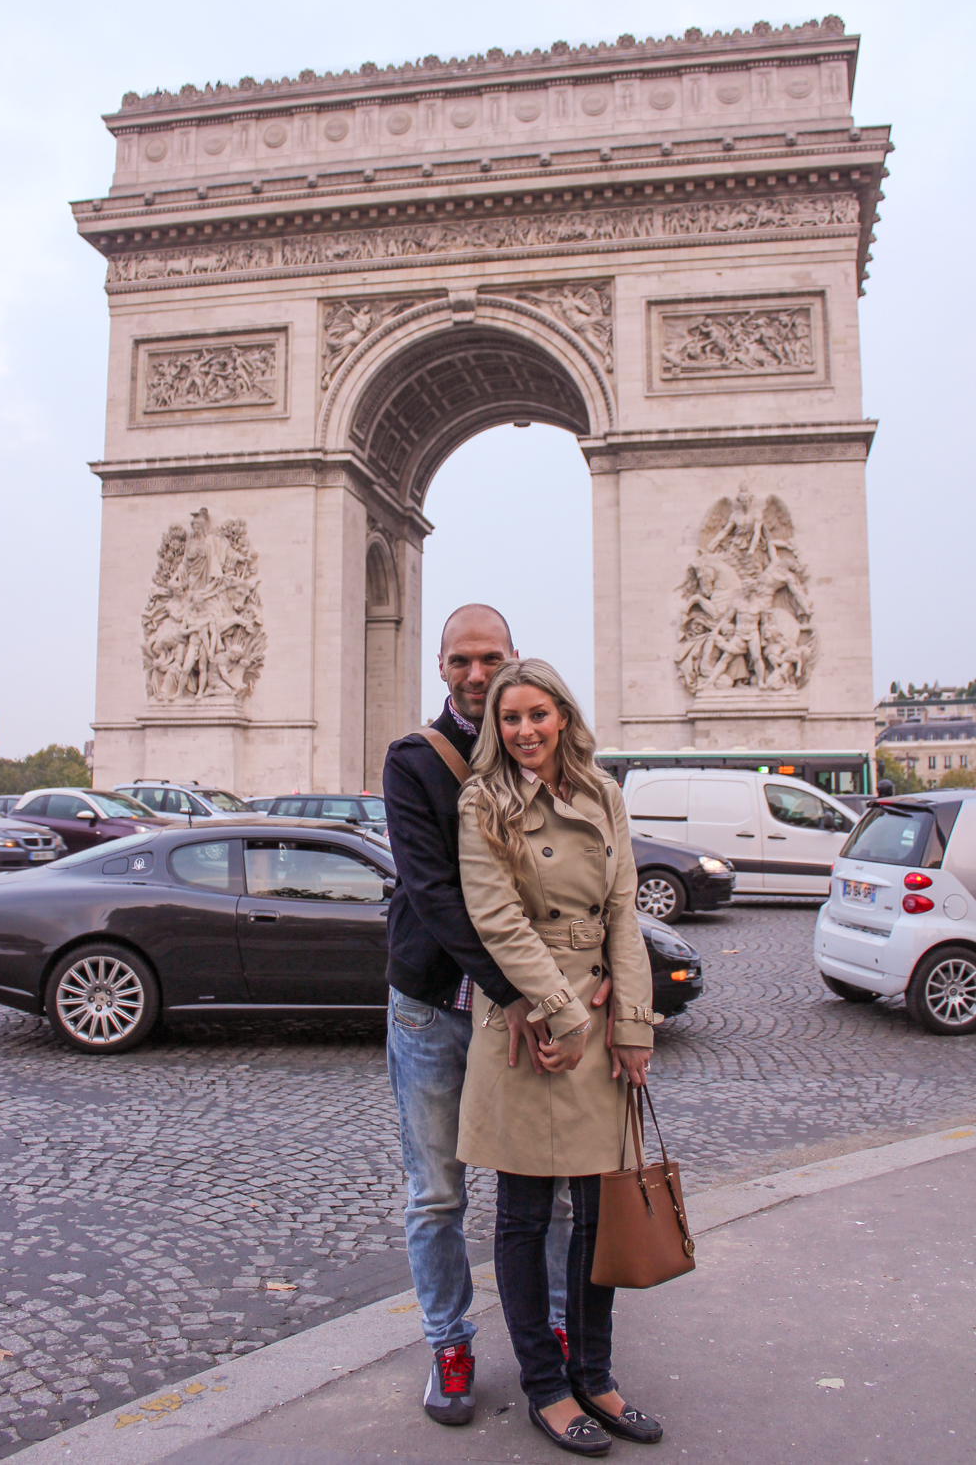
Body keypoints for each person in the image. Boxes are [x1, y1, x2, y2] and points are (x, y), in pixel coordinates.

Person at [383, 607, 610, 1427]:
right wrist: (515, 995)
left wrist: (602, 973)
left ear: (513, 660)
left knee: (541, 1185)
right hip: (439, 1009)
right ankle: (449, 1339)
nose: (475, 676)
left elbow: (592, 881)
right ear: (439, 667)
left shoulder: (534, 752)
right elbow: (440, 896)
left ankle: (549, 1332)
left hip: (526, 1011)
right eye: (459, 662)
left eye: (490, 660)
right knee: (438, 1194)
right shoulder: (414, 762)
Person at [457, 658, 662, 1456]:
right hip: (531, 1020)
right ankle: (546, 1385)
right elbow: (496, 918)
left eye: (537, 714)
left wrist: (634, 1025)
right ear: (495, 729)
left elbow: (625, 915)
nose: (525, 731)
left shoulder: (605, 794)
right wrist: (562, 1012)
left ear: (563, 715)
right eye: (510, 720)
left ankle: (598, 1374)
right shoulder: (483, 801)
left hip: (600, 1019)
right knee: (525, 1215)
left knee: (600, 1213)